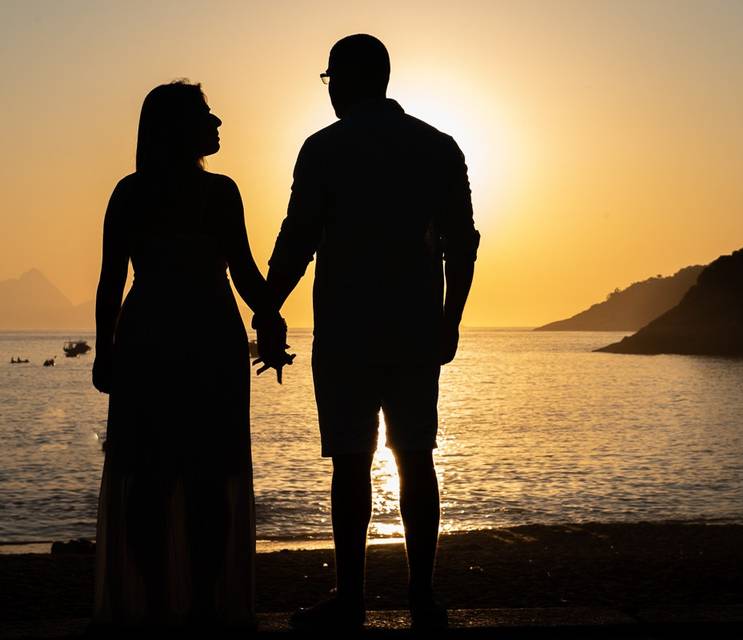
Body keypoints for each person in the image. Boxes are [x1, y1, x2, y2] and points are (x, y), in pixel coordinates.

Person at [255, 34, 480, 631]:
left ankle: (351, 598)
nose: (328, 92)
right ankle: (421, 596)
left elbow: (297, 237)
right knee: (416, 456)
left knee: (351, 462)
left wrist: (267, 305)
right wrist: (450, 318)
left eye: (330, 80)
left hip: (347, 328)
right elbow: (463, 244)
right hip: (414, 326)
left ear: (346, 82)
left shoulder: (324, 148)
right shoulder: (437, 146)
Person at [91, 81, 281, 629]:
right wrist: (268, 314)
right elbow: (243, 273)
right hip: (203, 338)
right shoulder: (216, 192)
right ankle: (199, 605)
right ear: (178, 127)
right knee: (204, 475)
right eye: (205, 115)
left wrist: (107, 352)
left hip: (152, 335)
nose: (217, 122)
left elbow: (112, 285)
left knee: (155, 476)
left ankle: (158, 604)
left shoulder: (132, 192)